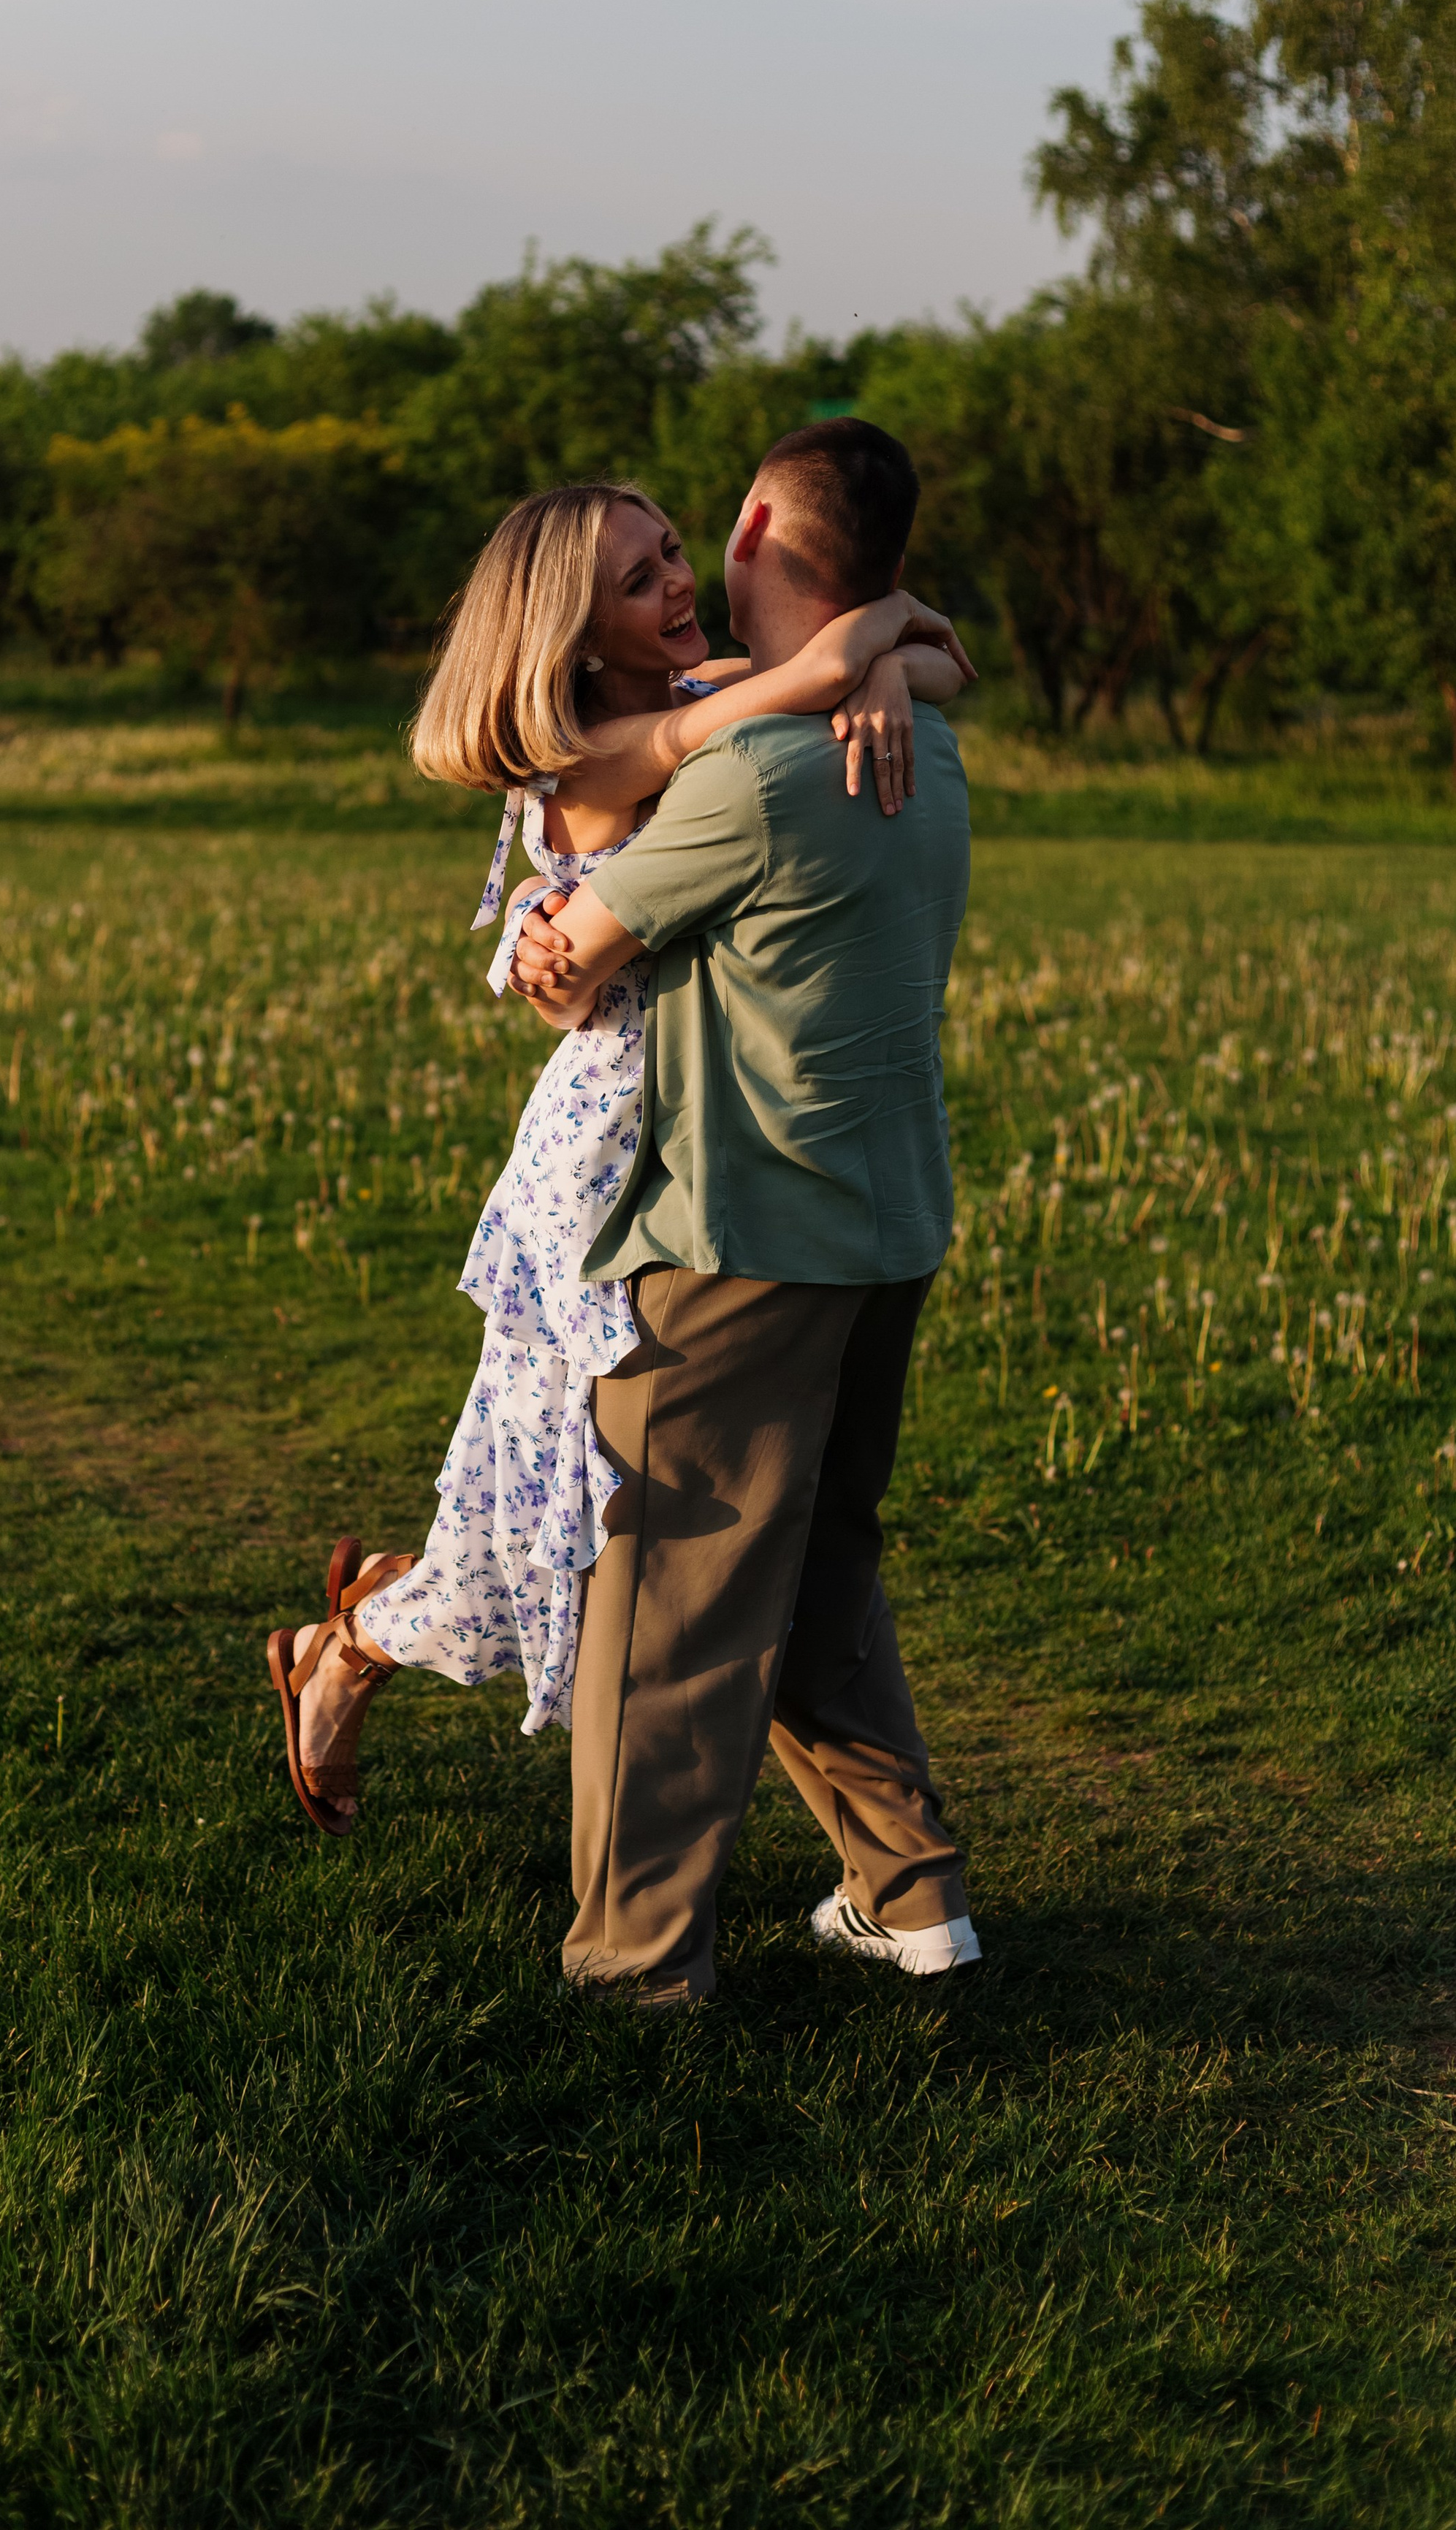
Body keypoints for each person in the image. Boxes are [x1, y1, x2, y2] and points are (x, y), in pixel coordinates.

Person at [266, 466, 969, 1837]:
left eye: (668, 553)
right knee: (565, 1509)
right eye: (639, 579)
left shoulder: (696, 701)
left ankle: (342, 1652)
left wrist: (883, 671)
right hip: (610, 1162)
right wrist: (869, 661)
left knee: (569, 1506)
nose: (678, 584)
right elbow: (860, 649)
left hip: (698, 1131)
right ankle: (344, 1655)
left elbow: (933, 644)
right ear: (574, 634)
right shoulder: (608, 742)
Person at [506, 419, 979, 2000]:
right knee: (819, 1581)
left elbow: (566, 961)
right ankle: (907, 1898)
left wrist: (548, 939)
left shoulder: (755, 775)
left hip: (735, 1241)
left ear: (758, 524)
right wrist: (892, 647)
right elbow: (928, 660)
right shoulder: (917, 735)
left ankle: (634, 1969)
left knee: (665, 1616)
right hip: (890, 1225)